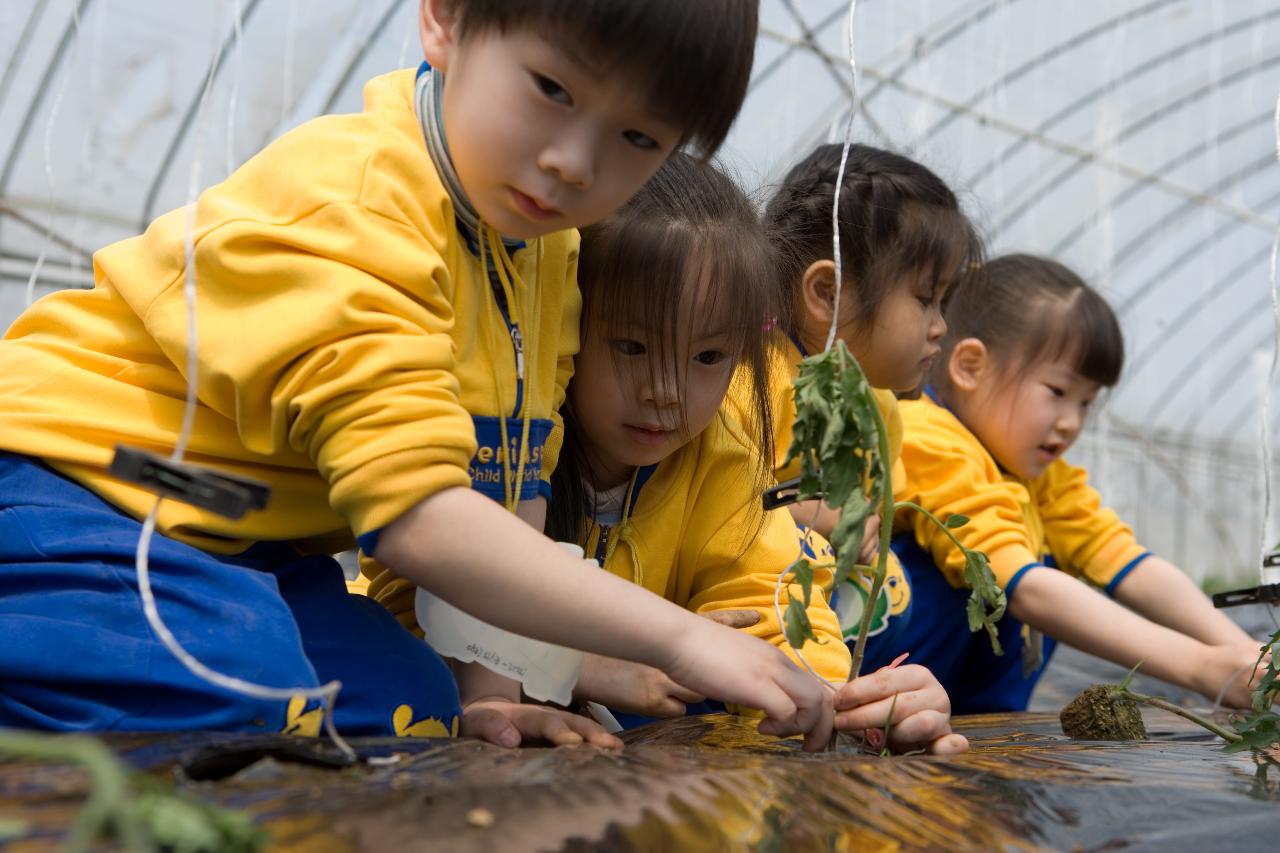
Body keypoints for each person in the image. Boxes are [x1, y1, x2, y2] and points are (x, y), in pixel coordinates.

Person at [0, 0, 835, 752]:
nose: (576, 162)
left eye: (640, 138)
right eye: (551, 87)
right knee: (250, 681)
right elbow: (419, 518)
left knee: (407, 704)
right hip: (77, 482)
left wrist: (496, 695)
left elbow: (507, 484)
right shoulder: (359, 204)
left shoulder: (543, 246)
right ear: (447, 20)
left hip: (234, 538)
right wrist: (687, 638)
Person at [892, 253, 1265, 712]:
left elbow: (1120, 557)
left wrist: (1249, 657)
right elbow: (1019, 586)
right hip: (883, 696)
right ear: (970, 366)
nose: (1071, 423)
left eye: (1086, 403)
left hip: (952, 707)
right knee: (1021, 578)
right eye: (1057, 392)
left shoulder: (1038, 475)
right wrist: (1202, 669)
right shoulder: (925, 438)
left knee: (1051, 562)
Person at [737, 143, 985, 753]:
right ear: (827, 292)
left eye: (945, 304)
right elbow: (719, 502)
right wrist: (803, 512)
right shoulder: (753, 381)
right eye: (926, 299)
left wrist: (869, 516)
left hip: (842, 620)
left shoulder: (879, 406)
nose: (941, 326)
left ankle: (865, 708)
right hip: (755, 632)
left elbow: (873, 500)